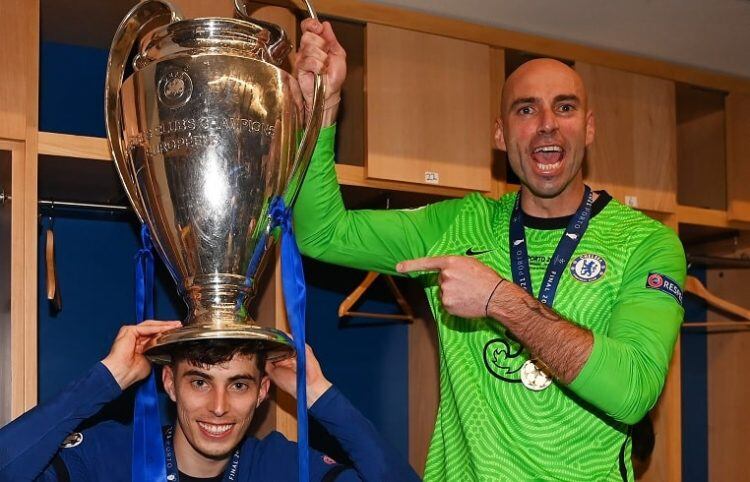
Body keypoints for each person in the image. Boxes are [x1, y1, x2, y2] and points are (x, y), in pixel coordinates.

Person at [293, 19, 686, 481]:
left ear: (589, 126)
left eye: (565, 107)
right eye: (526, 110)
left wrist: (498, 299)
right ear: (500, 135)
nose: (546, 125)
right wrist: (324, 106)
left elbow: (632, 392)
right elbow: (321, 232)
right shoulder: (456, 224)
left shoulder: (647, 243)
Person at [0, 320, 420, 481]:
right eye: (200, 382)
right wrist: (105, 380)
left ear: (262, 393)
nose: (218, 406)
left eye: (238, 385)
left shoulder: (282, 467)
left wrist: (321, 396)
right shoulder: (109, 455)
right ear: (169, 382)